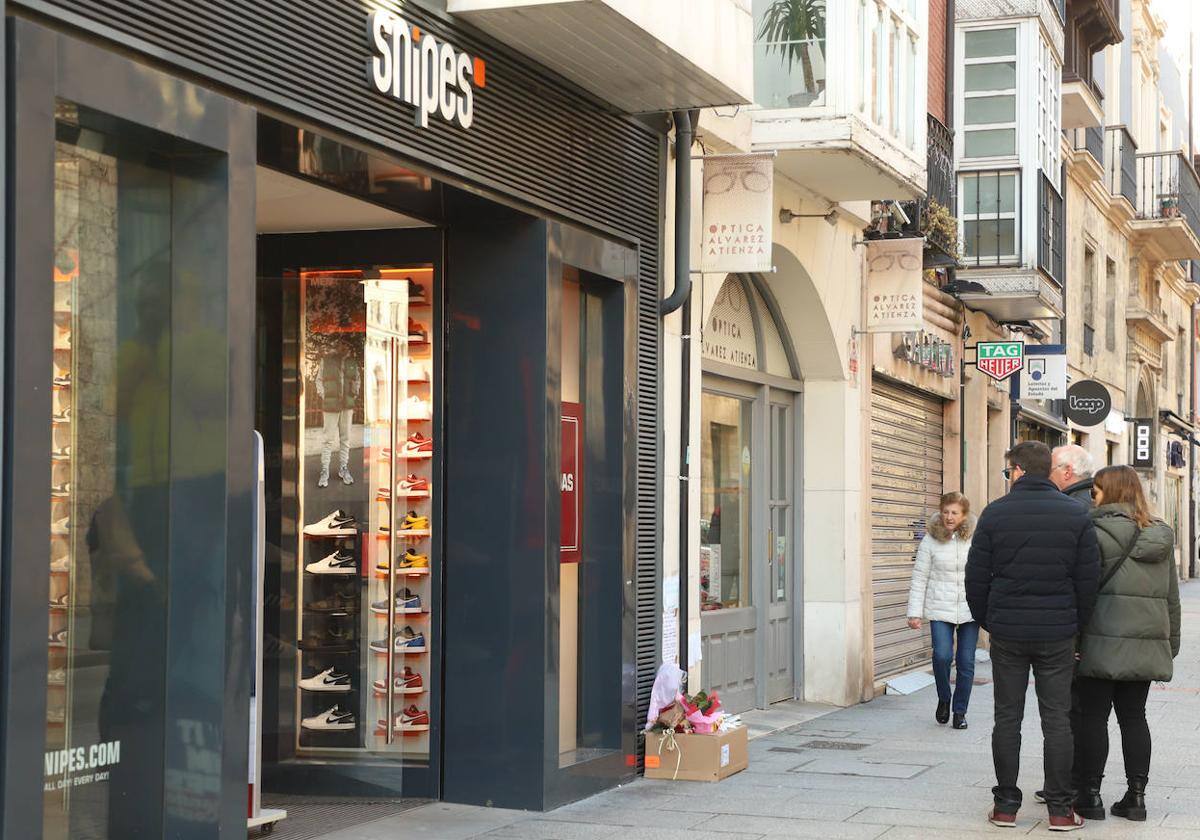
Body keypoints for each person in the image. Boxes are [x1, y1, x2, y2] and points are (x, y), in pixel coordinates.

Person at [965, 441, 1100, 831]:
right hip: (1058, 633)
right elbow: (1087, 581)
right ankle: (1060, 810)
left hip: (1008, 630)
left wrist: (988, 619)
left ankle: (1006, 805)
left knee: (1007, 717)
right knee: (1057, 719)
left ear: (1020, 471)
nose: (1008, 478)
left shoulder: (995, 513)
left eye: (1009, 472)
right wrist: (1076, 624)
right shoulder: (1075, 515)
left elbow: (975, 577)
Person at [1070, 465, 1180, 823]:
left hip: (1099, 641)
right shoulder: (1160, 534)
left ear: (1110, 493)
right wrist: (1169, 644)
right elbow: (1171, 598)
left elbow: (1081, 592)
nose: (1093, 496)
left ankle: (1090, 797)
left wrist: (1073, 639)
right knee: (1134, 717)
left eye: (1097, 491)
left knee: (1093, 718)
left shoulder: (1092, 531)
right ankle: (1136, 799)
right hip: (1146, 642)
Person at [906, 492, 978, 730]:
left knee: (966, 662)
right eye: (946, 512)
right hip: (939, 607)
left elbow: (986, 573)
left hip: (970, 609)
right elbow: (920, 577)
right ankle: (944, 698)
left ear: (964, 515)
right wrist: (914, 612)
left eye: (954, 513)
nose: (949, 517)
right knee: (942, 656)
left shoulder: (975, 539)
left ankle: (960, 711)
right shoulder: (930, 540)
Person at [316, 349, 360, 488]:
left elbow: (357, 380)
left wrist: (354, 394)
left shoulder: (352, 362)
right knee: (328, 440)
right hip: (331, 406)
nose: (341, 344)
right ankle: (324, 471)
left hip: (347, 406)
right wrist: (324, 395)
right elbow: (319, 380)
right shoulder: (326, 361)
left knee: (345, 439)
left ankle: (343, 468)